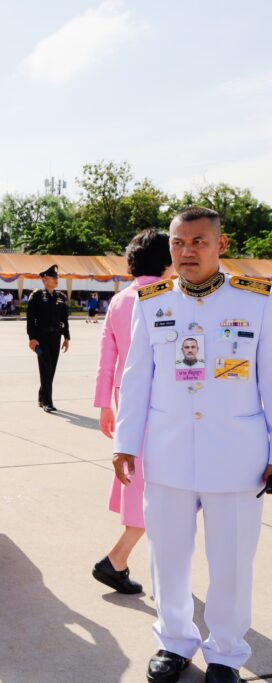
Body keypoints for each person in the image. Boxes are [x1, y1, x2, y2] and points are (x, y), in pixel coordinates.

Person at [114, 207, 272, 683]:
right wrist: (125, 442)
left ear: (221, 245)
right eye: (178, 242)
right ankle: (174, 641)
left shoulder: (257, 301)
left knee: (232, 562)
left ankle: (226, 653)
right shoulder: (151, 302)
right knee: (167, 557)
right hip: (169, 453)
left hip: (237, 455)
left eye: (198, 241)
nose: (187, 251)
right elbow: (137, 377)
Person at [92, 229, 172, 596]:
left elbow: (106, 358)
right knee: (163, 487)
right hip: (164, 403)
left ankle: (143, 562)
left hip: (128, 400)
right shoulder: (169, 296)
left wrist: (104, 405)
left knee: (142, 480)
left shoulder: (120, 299)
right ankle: (117, 559)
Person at [27, 264, 70, 412]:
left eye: (57, 277)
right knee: (45, 367)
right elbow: (30, 319)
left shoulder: (60, 297)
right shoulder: (36, 296)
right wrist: (32, 338)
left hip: (56, 337)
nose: (56, 280)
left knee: (51, 369)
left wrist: (66, 337)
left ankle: (42, 396)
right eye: (53, 277)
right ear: (45, 280)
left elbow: (64, 319)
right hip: (41, 338)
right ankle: (47, 402)